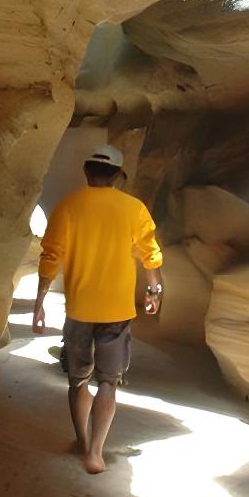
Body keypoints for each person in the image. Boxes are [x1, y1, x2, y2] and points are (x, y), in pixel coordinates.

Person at [33, 144, 164, 474]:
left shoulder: (68, 206)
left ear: (86, 172)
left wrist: (39, 303)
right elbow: (150, 255)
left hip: (78, 309)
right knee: (108, 382)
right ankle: (95, 452)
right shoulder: (133, 209)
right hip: (117, 312)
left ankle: (81, 440)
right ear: (119, 176)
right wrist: (154, 291)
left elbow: (50, 257)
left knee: (78, 381)